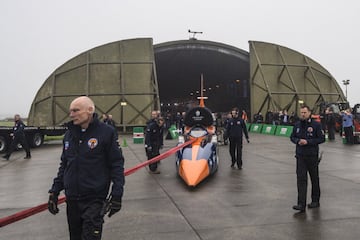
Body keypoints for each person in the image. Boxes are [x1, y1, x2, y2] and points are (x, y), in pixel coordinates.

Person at [48, 96, 125, 240]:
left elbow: (116, 164)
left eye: (76, 110)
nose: (71, 114)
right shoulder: (69, 135)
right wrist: (54, 191)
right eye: (70, 111)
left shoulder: (106, 132)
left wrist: (117, 193)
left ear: (90, 110)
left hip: (94, 199)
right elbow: (65, 164)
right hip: (72, 200)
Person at [290, 105, 325, 212]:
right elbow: (292, 137)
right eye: (301, 112)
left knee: (314, 179)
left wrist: (308, 142)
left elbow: (321, 138)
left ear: (309, 112)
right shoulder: (297, 125)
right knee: (301, 179)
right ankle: (301, 203)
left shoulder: (316, 125)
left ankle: (315, 200)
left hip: (312, 156)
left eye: (305, 112)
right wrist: (297, 141)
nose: (303, 114)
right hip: (300, 156)